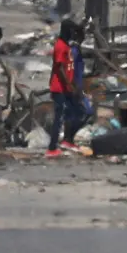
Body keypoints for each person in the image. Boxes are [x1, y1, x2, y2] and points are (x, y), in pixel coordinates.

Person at [46, 19, 78, 158]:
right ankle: (52, 148)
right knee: (58, 118)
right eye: (72, 30)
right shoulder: (60, 46)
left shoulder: (66, 45)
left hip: (65, 87)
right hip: (60, 87)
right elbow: (59, 68)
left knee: (70, 113)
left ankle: (66, 140)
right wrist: (68, 84)